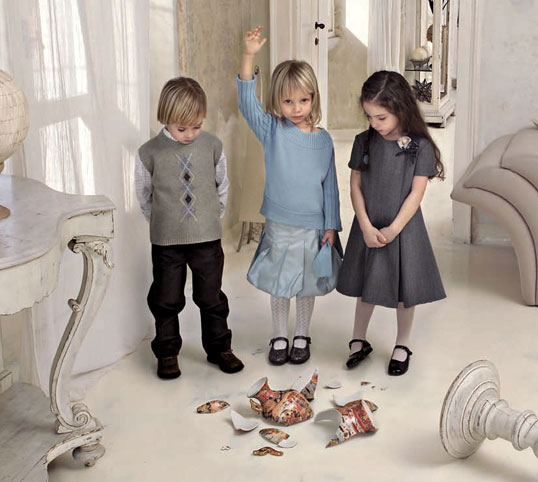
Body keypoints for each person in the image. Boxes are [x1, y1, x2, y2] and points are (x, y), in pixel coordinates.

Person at [236, 26, 341, 365]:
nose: (296, 108)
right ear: (277, 101)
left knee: (307, 283)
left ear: (314, 98)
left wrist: (331, 225)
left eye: (303, 100)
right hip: (280, 224)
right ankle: (280, 334)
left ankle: (302, 334)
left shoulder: (323, 140)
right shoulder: (272, 130)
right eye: (288, 101)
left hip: (313, 227)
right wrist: (248, 55)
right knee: (281, 282)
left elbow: (330, 186)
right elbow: (246, 103)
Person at [336, 70, 446, 376]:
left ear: (400, 108)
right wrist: (365, 225)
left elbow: (417, 192)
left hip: (403, 228)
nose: (374, 123)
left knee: (403, 290)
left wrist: (394, 228)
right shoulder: (364, 142)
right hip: (369, 225)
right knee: (366, 285)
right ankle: (358, 339)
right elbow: (355, 185)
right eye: (369, 116)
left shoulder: (419, 146)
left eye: (381, 117)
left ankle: (402, 343)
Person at [135, 77, 244, 379]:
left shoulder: (212, 146)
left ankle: (219, 348)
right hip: (166, 242)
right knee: (166, 299)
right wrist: (162, 223)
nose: (190, 134)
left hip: (207, 239)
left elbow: (222, 185)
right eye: (181, 128)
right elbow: (144, 195)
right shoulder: (149, 152)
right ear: (165, 118)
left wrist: (211, 218)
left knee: (212, 297)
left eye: (196, 126)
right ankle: (167, 352)